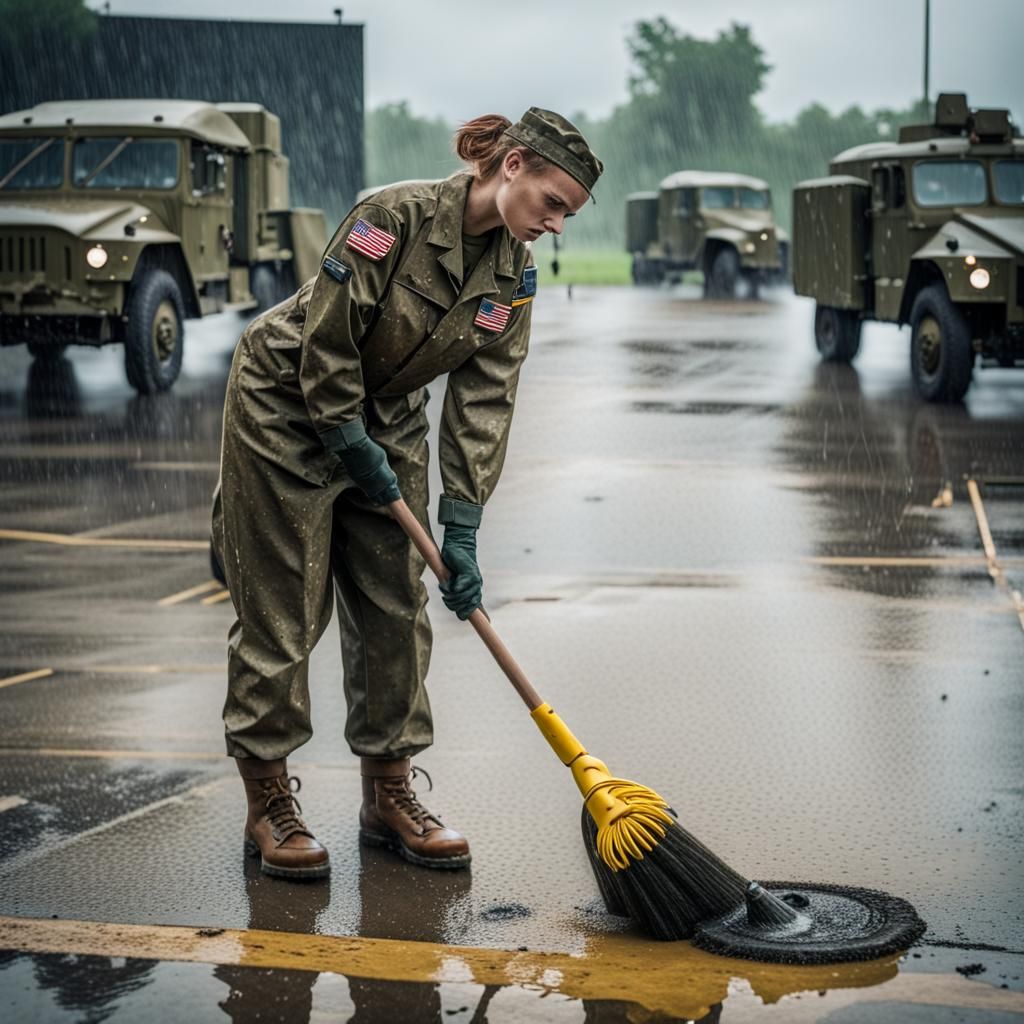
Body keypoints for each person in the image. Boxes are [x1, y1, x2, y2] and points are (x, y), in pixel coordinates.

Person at [211, 108, 602, 879]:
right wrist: (347, 440)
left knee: (397, 601)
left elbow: (484, 400)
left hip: (386, 413)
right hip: (288, 402)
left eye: (569, 214)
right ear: (514, 165)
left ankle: (388, 794)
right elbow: (326, 342)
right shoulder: (390, 218)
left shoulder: (512, 277)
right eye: (554, 203)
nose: (556, 224)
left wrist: (461, 524)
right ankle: (269, 803)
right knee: (287, 606)